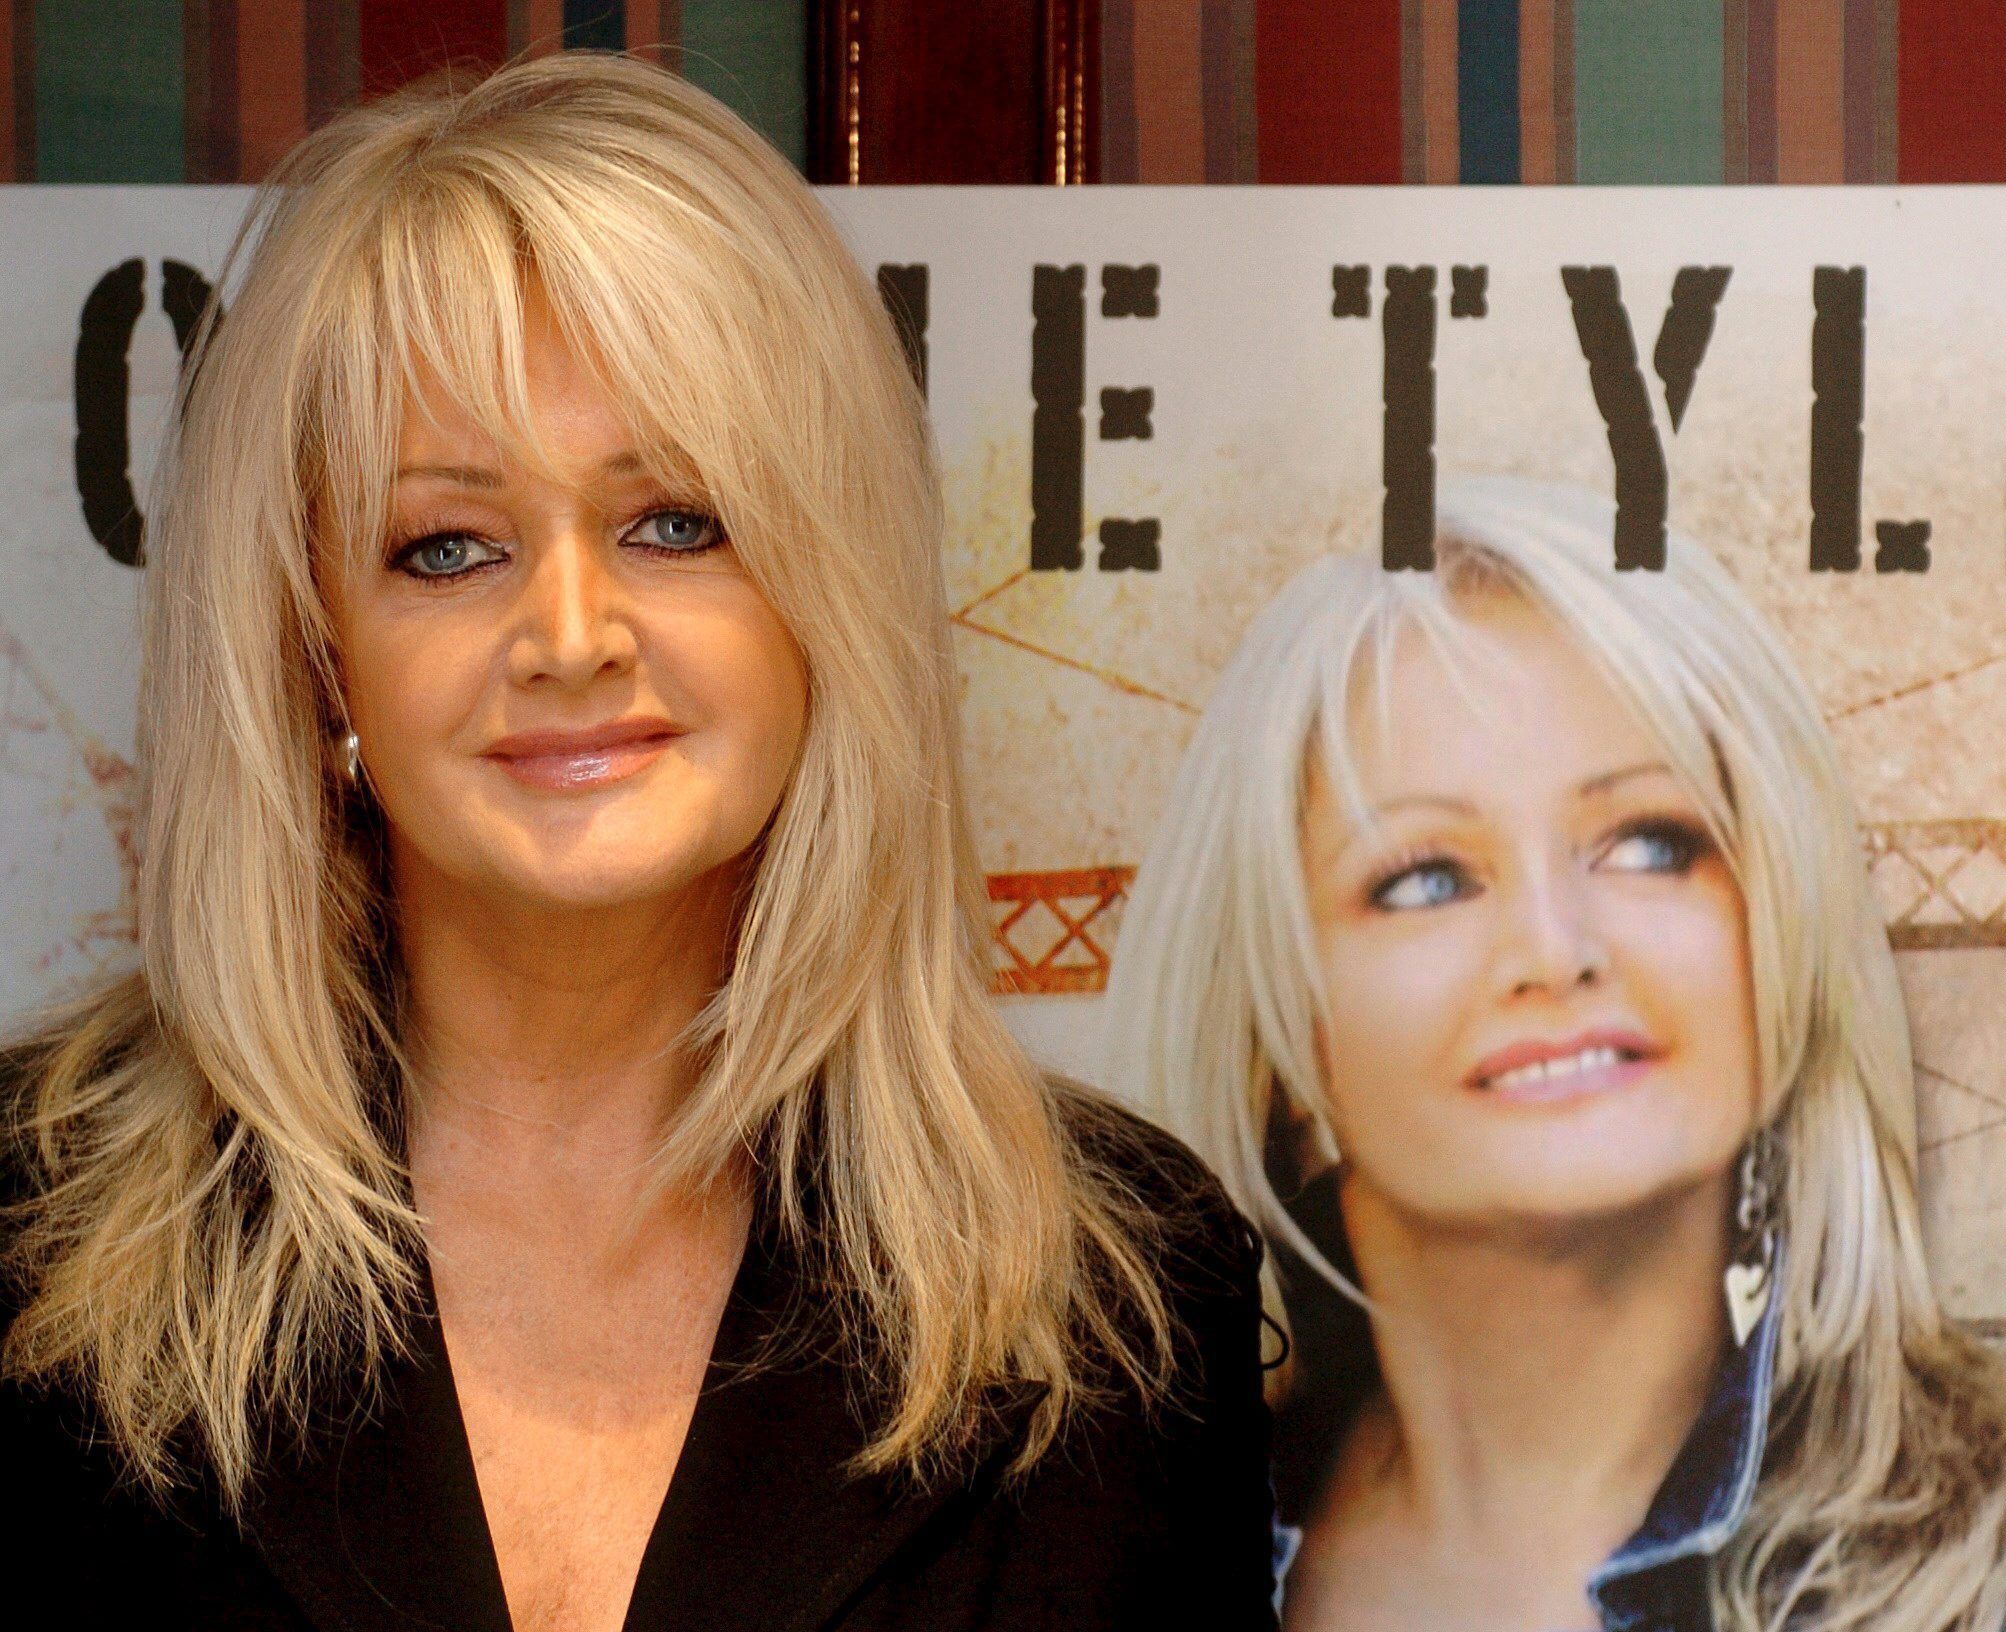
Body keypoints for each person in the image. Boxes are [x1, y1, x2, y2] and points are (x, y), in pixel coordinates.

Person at [0, 53, 1274, 1632]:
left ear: (828, 596)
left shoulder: (1122, 1286)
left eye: (675, 522)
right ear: (318, 656)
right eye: (447, 547)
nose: (570, 635)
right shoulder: (25, 1241)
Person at [1102, 476, 2006, 1632]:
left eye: (1649, 844)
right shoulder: (1088, 1567)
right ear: (1276, 1026)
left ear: (1777, 931)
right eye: (1425, 877)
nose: (1556, 948)